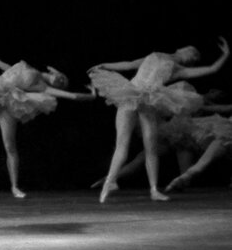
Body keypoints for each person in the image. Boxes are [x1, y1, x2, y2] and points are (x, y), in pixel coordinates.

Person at [88, 37, 229, 202]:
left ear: (191, 61)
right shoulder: (155, 55)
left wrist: (225, 55)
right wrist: (105, 65)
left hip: (148, 101)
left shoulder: (179, 69)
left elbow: (211, 69)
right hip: (130, 94)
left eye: (194, 55)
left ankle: (154, 189)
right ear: (180, 48)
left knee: (151, 147)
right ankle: (110, 182)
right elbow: (129, 64)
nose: (191, 53)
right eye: (191, 50)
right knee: (122, 143)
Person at [0, 49, 96, 199]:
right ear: (55, 72)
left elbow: (73, 96)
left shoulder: (44, 87)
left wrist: (92, 96)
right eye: (62, 78)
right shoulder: (30, 69)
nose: (61, 81)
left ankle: (14, 187)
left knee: (9, 146)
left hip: (8, 105)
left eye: (62, 84)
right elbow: (9, 69)